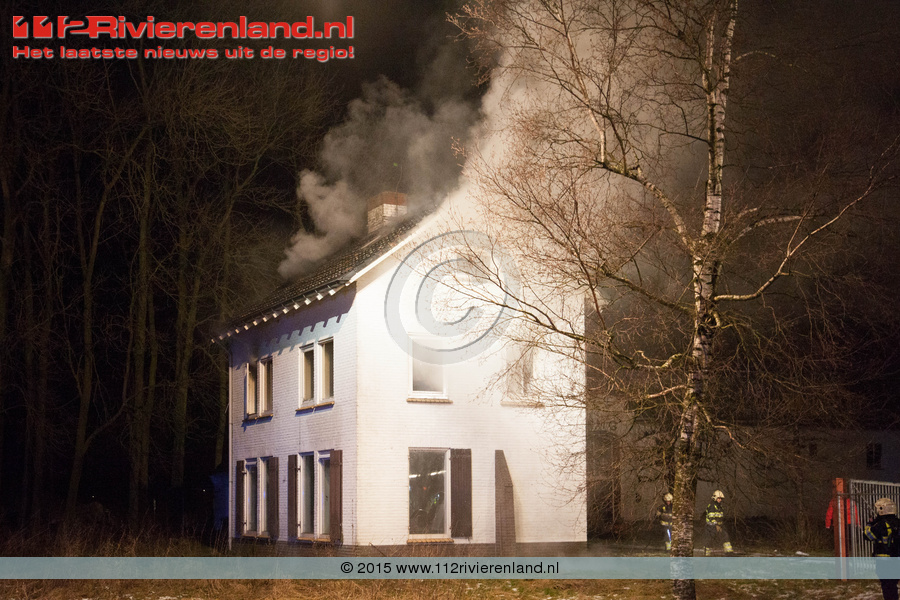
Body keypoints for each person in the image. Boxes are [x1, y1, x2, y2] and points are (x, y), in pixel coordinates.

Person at [864, 497, 900, 600]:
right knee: (893, 585)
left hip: (885, 563)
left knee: (888, 587)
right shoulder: (898, 522)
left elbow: (867, 536)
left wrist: (869, 524)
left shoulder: (881, 524)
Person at [703, 489, 734, 555]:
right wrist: (716, 525)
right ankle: (707, 554)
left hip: (719, 525)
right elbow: (711, 517)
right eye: (719, 498)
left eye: (721, 498)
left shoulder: (720, 507)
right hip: (710, 526)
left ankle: (729, 552)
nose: (720, 500)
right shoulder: (712, 506)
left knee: (725, 536)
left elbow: (721, 517)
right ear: (715, 498)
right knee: (709, 540)